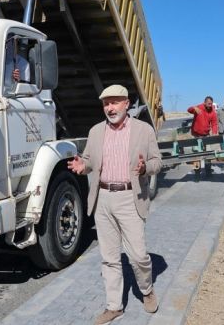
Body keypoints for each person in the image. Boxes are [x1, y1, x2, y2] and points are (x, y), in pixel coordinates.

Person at [67, 84, 162, 324]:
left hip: (130, 198)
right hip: (103, 199)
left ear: (126, 103)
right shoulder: (96, 131)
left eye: (114, 102)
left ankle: (147, 290)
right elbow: (88, 159)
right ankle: (114, 306)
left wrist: (145, 169)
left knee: (139, 255)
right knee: (109, 257)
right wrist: (82, 165)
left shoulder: (143, 130)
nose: (110, 108)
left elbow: (157, 161)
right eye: (106, 104)